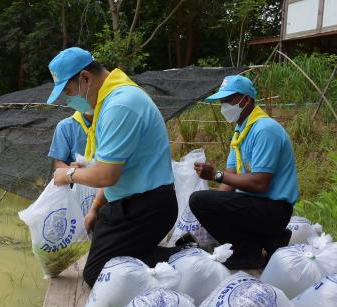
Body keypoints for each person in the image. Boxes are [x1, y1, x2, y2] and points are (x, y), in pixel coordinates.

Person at [46, 47, 179, 287]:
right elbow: (109, 167)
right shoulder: (110, 101)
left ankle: (184, 258)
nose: (69, 101)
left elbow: (106, 175)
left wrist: (68, 174)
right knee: (101, 252)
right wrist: (95, 208)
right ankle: (150, 254)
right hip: (130, 202)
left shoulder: (120, 105)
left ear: (85, 78)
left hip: (147, 207)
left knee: (97, 273)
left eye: (68, 92)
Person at [189, 75, 299, 269]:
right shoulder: (241, 131)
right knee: (202, 201)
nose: (224, 106)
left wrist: (215, 175)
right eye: (221, 101)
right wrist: (211, 205)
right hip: (255, 205)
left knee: (199, 200)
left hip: (273, 208)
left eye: (228, 100)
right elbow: (230, 179)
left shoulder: (265, 130)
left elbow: (260, 183)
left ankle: (246, 253)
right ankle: (268, 240)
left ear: (246, 99)